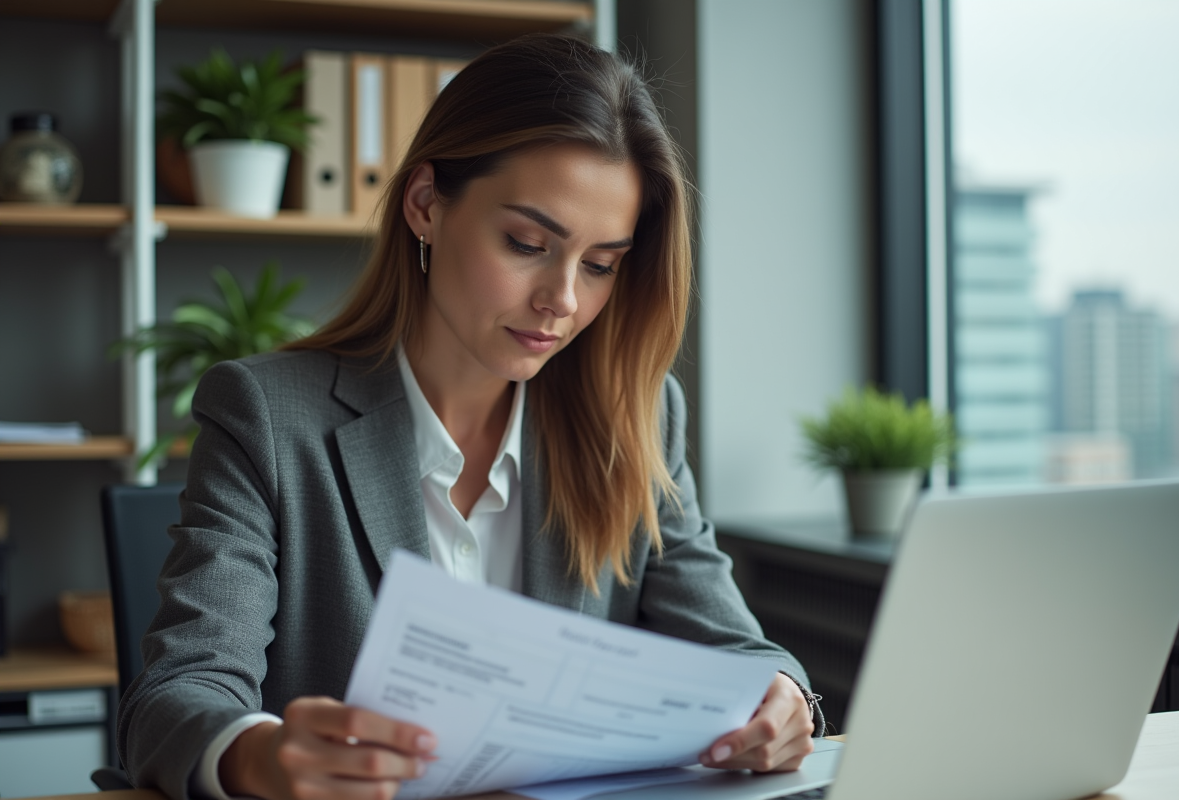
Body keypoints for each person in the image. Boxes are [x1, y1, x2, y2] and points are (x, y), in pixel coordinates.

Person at [118, 33, 824, 800]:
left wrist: (780, 696)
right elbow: (176, 696)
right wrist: (259, 755)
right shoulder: (265, 416)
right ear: (426, 205)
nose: (563, 299)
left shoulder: (637, 419)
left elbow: (738, 648)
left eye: (600, 265)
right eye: (527, 243)